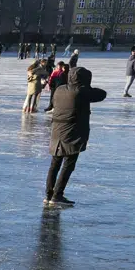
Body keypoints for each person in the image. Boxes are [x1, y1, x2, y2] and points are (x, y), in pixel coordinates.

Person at [45, 67, 106, 207]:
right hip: (72, 133)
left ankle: (49, 194)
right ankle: (57, 195)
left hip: (57, 131)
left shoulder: (60, 89)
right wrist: (87, 87)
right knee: (68, 164)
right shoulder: (80, 91)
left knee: (54, 164)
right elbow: (101, 94)